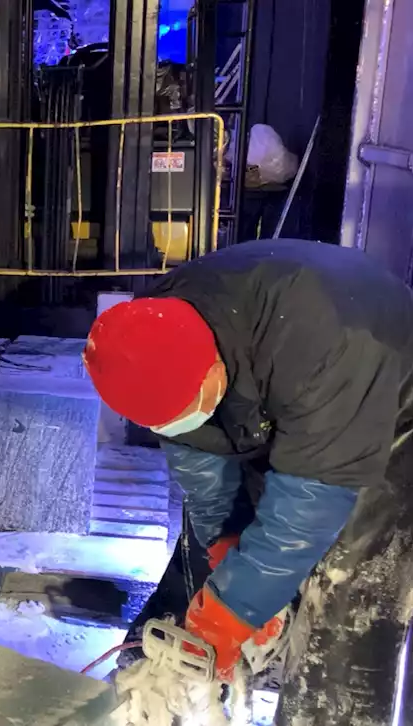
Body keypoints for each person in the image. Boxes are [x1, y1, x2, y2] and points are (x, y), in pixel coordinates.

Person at [82, 239, 414, 724]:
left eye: (188, 410)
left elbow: (307, 509)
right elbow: (200, 456)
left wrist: (230, 611)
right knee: (213, 560)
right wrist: (223, 540)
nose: (181, 426)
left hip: (388, 403)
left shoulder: (326, 345)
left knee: (344, 597)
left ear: (214, 366)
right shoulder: (153, 333)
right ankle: (151, 697)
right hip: (278, 388)